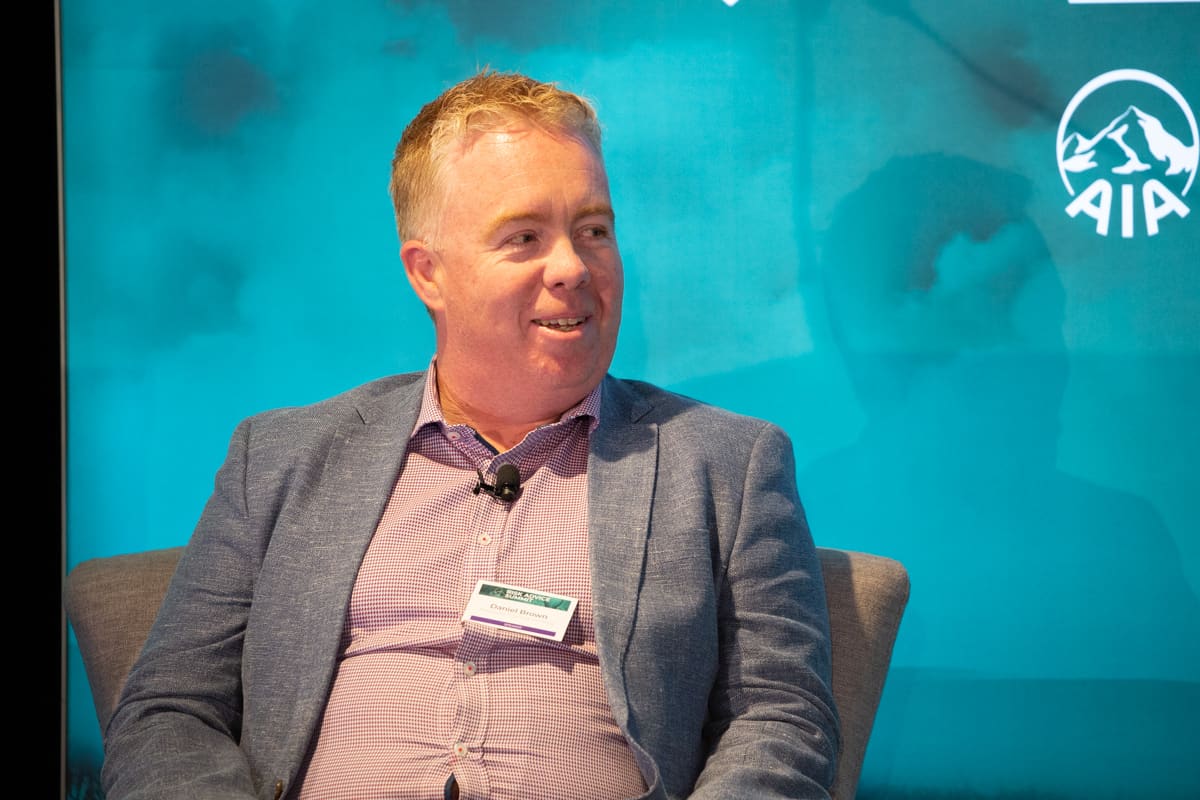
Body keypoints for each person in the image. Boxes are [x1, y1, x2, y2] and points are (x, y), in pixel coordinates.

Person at [101, 69, 840, 800]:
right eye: (525, 238)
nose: (572, 267)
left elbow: (782, 721)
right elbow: (169, 712)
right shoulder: (279, 458)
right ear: (429, 274)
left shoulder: (726, 464)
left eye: (594, 230)